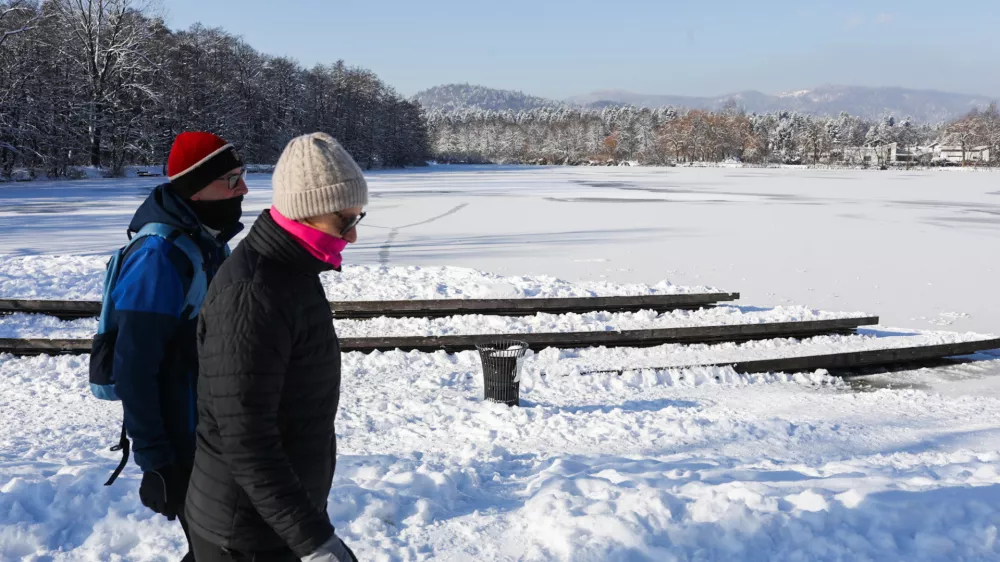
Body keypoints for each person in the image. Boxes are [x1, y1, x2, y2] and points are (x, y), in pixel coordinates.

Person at [187, 132, 365, 562]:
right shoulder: (254, 294)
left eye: (360, 218)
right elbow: (246, 438)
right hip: (245, 534)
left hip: (268, 520)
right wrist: (314, 541)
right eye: (346, 220)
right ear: (308, 210)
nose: (354, 237)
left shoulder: (291, 271)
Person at [112, 131, 247, 561]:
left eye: (242, 176)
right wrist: (156, 461)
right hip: (184, 441)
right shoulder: (159, 256)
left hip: (211, 429)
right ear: (195, 187)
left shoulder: (205, 239)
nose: (244, 189)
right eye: (232, 180)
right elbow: (134, 367)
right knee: (222, 549)